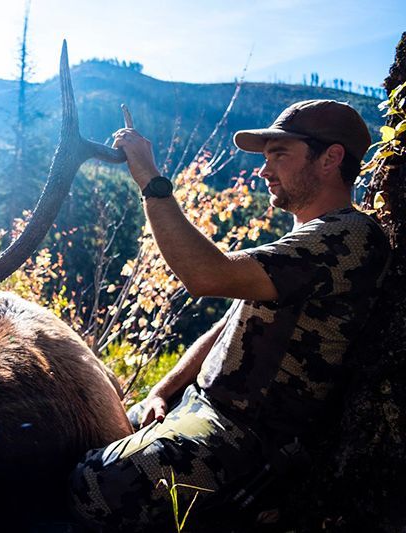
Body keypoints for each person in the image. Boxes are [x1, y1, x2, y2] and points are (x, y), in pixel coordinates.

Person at [68, 100, 391, 531]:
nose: (264, 170)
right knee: (85, 440)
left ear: (331, 158)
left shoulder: (348, 237)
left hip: (245, 442)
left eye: (280, 155)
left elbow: (206, 275)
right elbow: (229, 325)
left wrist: (149, 177)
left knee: (92, 485)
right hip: (202, 412)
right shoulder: (309, 236)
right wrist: (164, 390)